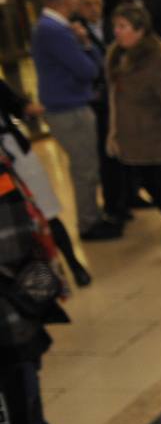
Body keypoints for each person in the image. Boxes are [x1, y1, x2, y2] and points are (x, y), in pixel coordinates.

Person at [0, 154, 87, 424]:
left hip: (15, 295)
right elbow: (10, 243)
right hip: (7, 295)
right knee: (11, 393)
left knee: (28, 370)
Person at [31, 0, 121, 241]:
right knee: (85, 169)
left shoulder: (47, 27)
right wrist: (84, 43)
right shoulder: (55, 30)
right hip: (69, 109)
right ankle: (89, 223)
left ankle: (92, 215)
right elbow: (88, 70)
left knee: (85, 167)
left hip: (66, 106)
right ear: (64, 1)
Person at [106, 3, 161, 265]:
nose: (117, 32)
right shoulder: (118, 57)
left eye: (123, 27)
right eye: (116, 26)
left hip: (160, 143)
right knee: (153, 189)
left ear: (140, 30)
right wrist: (114, 133)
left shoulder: (157, 61)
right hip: (135, 143)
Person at [0, 79, 90, 286]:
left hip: (16, 152)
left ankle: (74, 265)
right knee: (13, 222)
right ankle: (41, 278)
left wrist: (33, 107)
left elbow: (16, 103)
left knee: (46, 210)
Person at [72, 0, 129, 225]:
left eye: (97, 3)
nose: (93, 8)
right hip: (96, 102)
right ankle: (113, 205)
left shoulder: (112, 25)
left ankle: (129, 197)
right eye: (87, 4)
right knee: (104, 156)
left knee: (124, 150)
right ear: (77, 6)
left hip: (119, 96)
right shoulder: (73, 30)